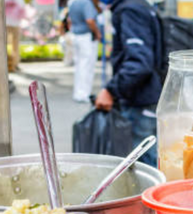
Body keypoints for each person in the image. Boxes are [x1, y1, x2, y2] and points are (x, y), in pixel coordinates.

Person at [94, 0, 162, 166]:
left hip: (140, 102)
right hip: (147, 98)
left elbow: (139, 63)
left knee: (145, 166)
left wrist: (110, 90)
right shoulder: (139, 5)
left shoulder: (130, 10)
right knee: (149, 161)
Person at [69, 0, 102, 102]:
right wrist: (97, 33)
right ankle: (84, 93)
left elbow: (70, 20)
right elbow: (90, 20)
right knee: (86, 65)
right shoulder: (87, 3)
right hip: (86, 36)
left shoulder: (73, 3)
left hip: (76, 35)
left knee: (80, 66)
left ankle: (78, 92)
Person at [5, 0, 26, 72]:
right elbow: (23, 9)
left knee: (6, 45)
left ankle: (11, 64)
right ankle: (13, 64)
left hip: (8, 23)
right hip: (13, 24)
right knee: (15, 46)